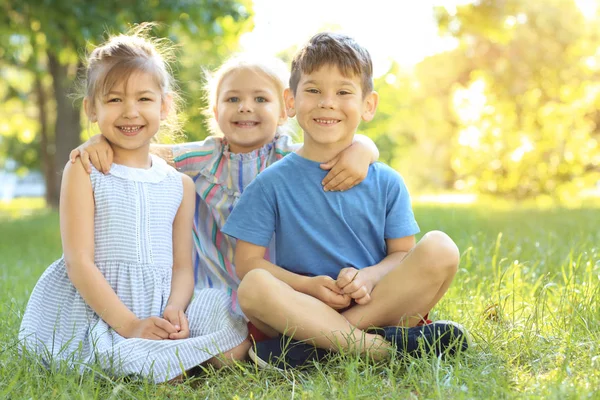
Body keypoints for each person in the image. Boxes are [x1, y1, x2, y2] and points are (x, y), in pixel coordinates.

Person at [69, 53, 380, 335]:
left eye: (260, 98)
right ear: (215, 111)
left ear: (286, 109)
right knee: (226, 352)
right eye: (232, 99)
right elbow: (137, 144)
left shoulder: (292, 157)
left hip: (286, 288)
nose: (245, 106)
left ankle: (322, 335)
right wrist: (98, 141)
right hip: (214, 291)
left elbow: (339, 147)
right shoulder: (202, 157)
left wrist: (365, 148)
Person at [222, 32, 471, 370]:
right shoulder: (271, 183)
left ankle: (318, 347)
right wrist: (308, 285)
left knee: (441, 248)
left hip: (378, 304)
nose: (327, 102)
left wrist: (369, 277)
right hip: (301, 306)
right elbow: (248, 263)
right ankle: (379, 349)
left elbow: (402, 254)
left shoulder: (386, 181)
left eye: (343, 92)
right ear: (290, 102)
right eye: (313, 90)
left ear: (368, 105)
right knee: (253, 286)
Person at [18, 26, 250, 383]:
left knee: (234, 347)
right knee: (158, 371)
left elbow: (182, 268)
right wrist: (129, 324)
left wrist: (174, 309)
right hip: (100, 309)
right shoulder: (85, 169)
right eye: (113, 100)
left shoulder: (179, 185)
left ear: (164, 105)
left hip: (160, 302)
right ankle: (154, 355)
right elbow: (78, 261)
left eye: (144, 99)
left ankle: (168, 346)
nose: (130, 112)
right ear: (91, 109)